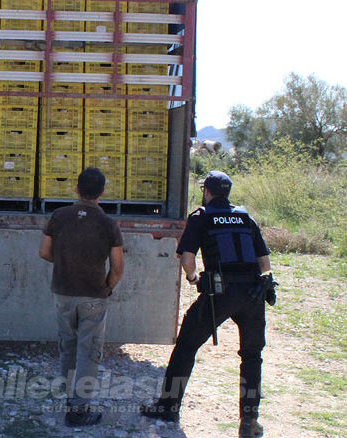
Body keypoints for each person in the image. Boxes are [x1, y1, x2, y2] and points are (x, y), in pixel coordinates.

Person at [140, 170, 272, 438]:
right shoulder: (246, 217)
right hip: (253, 293)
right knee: (252, 357)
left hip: (219, 293)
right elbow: (265, 264)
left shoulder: (201, 217)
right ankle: (249, 422)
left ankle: (167, 406)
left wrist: (193, 278)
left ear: (207, 191)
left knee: (186, 347)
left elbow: (187, 257)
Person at [39, 167, 124, 427]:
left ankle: (69, 398)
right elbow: (118, 267)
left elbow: (44, 252)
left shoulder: (59, 216)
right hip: (93, 296)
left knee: (68, 347)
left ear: (76, 189)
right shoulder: (109, 224)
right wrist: (107, 287)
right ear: (102, 193)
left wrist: (66, 262)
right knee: (88, 352)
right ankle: (78, 410)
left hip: (63, 293)